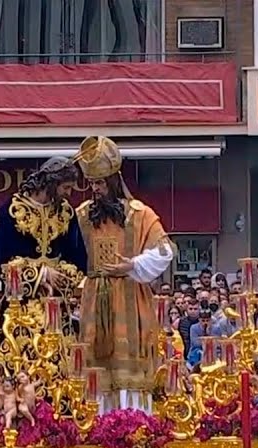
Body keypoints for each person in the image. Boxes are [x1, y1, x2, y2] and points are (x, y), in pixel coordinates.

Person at [73, 136, 175, 410]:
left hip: (131, 299)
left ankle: (132, 426)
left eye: (100, 183)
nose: (95, 189)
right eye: (92, 184)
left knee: (130, 374)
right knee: (97, 372)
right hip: (94, 302)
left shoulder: (141, 215)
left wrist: (133, 265)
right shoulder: (81, 215)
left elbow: (166, 251)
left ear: (114, 180)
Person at [0, 157, 87, 292]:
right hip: (20, 300)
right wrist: (43, 274)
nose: (69, 193)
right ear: (52, 183)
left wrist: (64, 277)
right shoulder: (12, 210)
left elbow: (78, 258)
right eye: (66, 187)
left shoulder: (66, 212)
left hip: (56, 297)